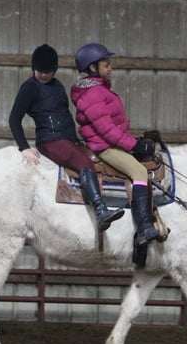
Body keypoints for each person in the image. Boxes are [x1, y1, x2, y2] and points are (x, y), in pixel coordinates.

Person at [8, 44, 124, 232]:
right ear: (33, 68)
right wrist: (24, 147)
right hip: (50, 140)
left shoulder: (58, 85)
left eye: (49, 71)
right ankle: (100, 210)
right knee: (84, 163)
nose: (44, 75)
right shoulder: (29, 88)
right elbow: (14, 119)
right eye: (40, 71)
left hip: (69, 139)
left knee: (98, 158)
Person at [70, 43, 161, 245]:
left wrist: (134, 140)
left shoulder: (98, 90)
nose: (110, 68)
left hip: (109, 141)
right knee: (139, 172)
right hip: (103, 146)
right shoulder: (94, 94)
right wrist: (134, 146)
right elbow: (106, 130)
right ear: (93, 68)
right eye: (106, 65)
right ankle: (144, 226)